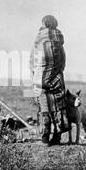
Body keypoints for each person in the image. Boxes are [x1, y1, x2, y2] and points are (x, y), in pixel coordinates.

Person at [30, 15, 68, 146]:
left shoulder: (38, 40)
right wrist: (56, 72)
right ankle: (57, 137)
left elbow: (32, 62)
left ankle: (45, 138)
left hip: (41, 80)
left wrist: (37, 75)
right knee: (58, 107)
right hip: (57, 78)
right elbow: (63, 61)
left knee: (44, 107)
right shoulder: (59, 42)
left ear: (44, 24)